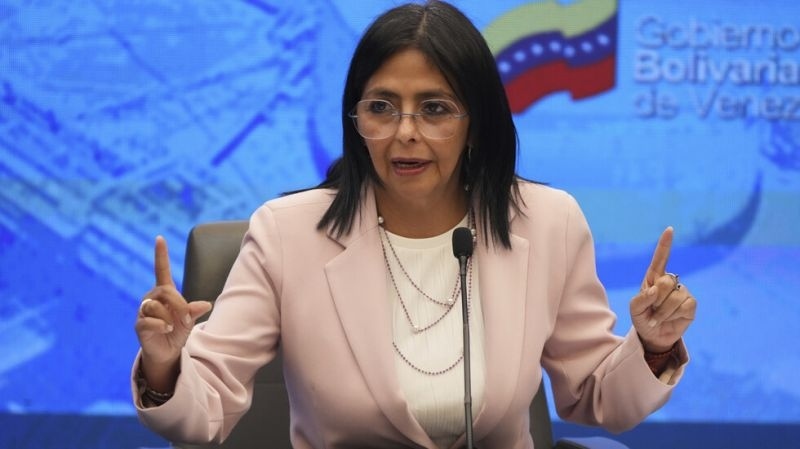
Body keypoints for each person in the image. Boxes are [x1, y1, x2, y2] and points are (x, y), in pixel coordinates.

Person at [132, 1, 696, 448]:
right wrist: (165, 364)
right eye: (381, 107)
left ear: (476, 124)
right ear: (356, 120)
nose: (405, 132)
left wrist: (652, 346)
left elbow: (596, 396)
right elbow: (205, 407)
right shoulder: (287, 233)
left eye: (434, 108)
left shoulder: (548, 222)